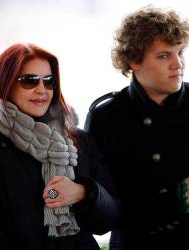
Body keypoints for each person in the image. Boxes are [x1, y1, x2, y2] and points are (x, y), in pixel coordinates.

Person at [0, 43, 120, 250]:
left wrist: (83, 192)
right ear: (5, 84)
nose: (41, 90)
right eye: (29, 81)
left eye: (49, 81)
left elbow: (110, 219)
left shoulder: (78, 141)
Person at [84, 6, 189, 250]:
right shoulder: (106, 116)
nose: (178, 64)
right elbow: (99, 206)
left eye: (180, 52)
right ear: (134, 60)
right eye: (164, 56)